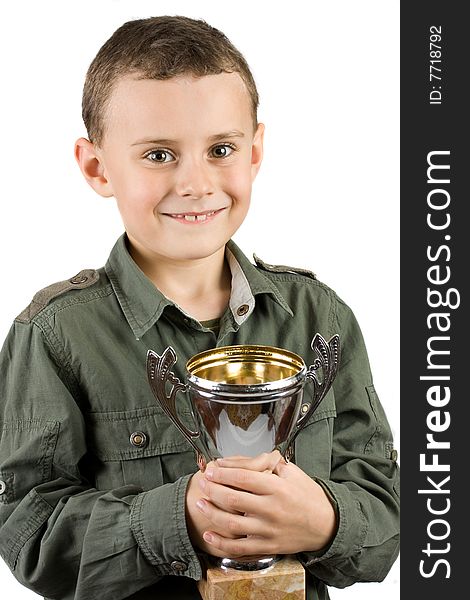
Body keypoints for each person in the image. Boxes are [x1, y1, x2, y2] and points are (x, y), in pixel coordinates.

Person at [0, 15, 399, 600]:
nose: (195, 183)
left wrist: (325, 521)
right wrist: (179, 519)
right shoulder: (56, 336)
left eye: (220, 149)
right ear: (96, 166)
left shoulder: (321, 319)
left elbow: (388, 516)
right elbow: (28, 536)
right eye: (159, 154)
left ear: (255, 150)